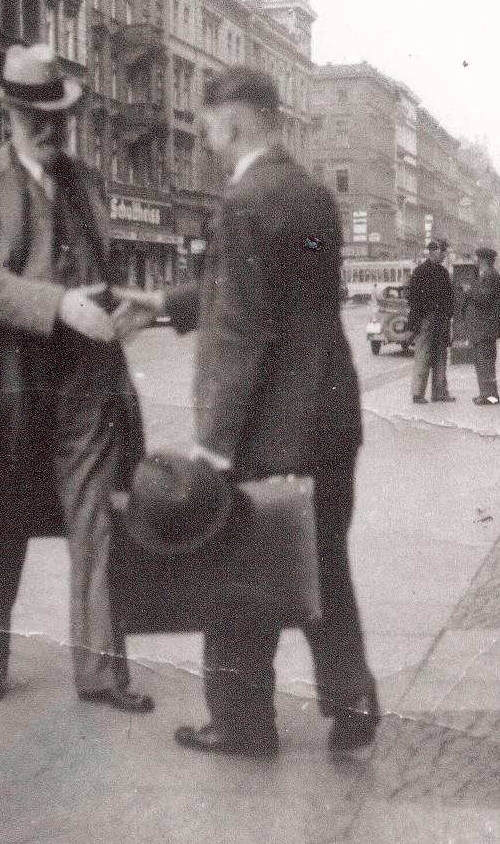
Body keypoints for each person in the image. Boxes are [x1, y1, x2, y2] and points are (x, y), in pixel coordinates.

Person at [114, 67, 378, 757]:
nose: (204, 141)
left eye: (205, 127)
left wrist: (213, 443)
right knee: (321, 564)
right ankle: (352, 703)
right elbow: (276, 295)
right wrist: (166, 305)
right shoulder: (312, 195)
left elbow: (240, 329)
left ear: (231, 122)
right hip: (328, 417)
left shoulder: (241, 201)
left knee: (231, 576)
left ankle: (239, 722)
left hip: (268, 427)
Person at [0, 44, 152, 713]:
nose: (48, 126)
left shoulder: (84, 182)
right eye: (34, 115)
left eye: (57, 114)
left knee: (97, 527)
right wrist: (56, 305)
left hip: (85, 379)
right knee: (1, 526)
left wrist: (122, 306)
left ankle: (102, 677)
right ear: (10, 115)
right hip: (7, 377)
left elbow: (93, 269)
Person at [406, 239, 456, 404]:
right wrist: (418, 321)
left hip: (440, 319)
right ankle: (418, 394)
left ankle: (439, 393)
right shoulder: (420, 272)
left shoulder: (442, 272)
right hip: (426, 319)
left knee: (441, 355)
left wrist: (449, 316)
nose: (444, 256)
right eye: (443, 253)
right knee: (424, 355)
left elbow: (449, 297)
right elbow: (413, 299)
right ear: (434, 251)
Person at [462, 247, 500, 405]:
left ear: (483, 260)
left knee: (485, 362)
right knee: (483, 361)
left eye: (478, 259)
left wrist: (469, 291)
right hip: (484, 327)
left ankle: (490, 396)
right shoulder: (489, 275)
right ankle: (486, 394)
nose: (476, 262)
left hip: (485, 327)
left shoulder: (490, 276)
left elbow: (485, 298)